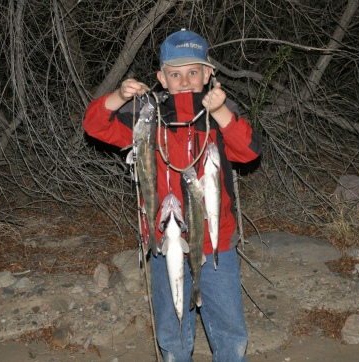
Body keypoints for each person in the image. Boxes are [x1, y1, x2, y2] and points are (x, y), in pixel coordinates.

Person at [83, 29, 262, 361]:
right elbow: (95, 126)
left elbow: (249, 152)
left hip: (217, 243)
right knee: (173, 330)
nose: (184, 81)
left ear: (208, 74)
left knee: (229, 331)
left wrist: (221, 112)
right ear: (161, 78)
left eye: (193, 72)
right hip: (167, 243)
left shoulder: (221, 113)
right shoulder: (146, 116)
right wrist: (119, 96)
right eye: (175, 74)